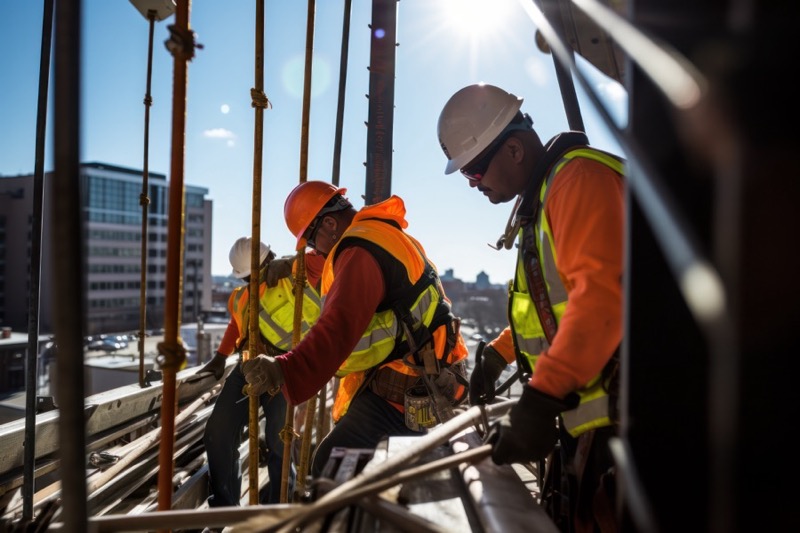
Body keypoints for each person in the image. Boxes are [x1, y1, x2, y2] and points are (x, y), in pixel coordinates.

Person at [437, 83, 625, 532]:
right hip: (593, 420)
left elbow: (602, 298)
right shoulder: (544, 200)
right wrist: (500, 353)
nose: (473, 184)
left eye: (476, 170)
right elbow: (555, 304)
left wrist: (541, 398)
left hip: (623, 421)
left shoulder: (578, 181)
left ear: (515, 150)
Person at [241, 180, 470, 478]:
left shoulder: (358, 253)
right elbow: (324, 270)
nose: (314, 249)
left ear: (330, 224)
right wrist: (292, 264)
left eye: (311, 240)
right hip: (425, 377)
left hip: (407, 388)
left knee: (332, 467)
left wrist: (285, 368)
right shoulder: (379, 235)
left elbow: (339, 326)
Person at [198, 236, 324, 506]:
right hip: (248, 367)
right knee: (218, 431)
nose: (250, 283)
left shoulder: (296, 279)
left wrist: (290, 263)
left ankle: (279, 507)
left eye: (254, 274)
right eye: (246, 279)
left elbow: (327, 257)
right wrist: (220, 357)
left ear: (271, 259)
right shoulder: (241, 296)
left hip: (285, 369)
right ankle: (224, 506)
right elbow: (236, 324)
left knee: (280, 442)